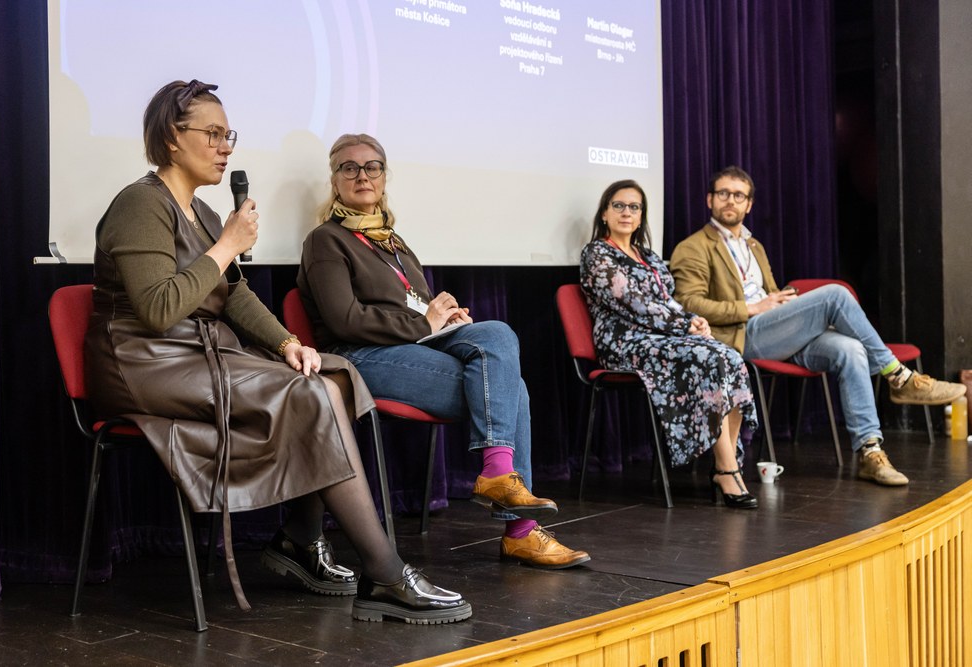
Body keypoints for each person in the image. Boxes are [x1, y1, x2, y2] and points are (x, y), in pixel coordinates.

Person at [84, 80, 470, 625]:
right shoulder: (140, 204)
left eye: (228, 134)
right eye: (213, 134)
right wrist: (227, 247)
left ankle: (302, 542)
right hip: (146, 363)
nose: (226, 146)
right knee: (312, 394)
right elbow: (157, 308)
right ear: (173, 138)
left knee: (333, 376)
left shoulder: (205, 215)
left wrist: (289, 343)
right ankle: (383, 572)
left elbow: (233, 295)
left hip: (198, 355)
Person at [297, 133, 590, 568]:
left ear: (384, 177)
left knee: (496, 334)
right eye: (350, 167)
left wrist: (447, 318)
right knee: (513, 392)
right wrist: (423, 322)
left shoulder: (393, 242)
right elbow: (344, 320)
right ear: (335, 180)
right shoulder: (326, 240)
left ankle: (500, 482)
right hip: (358, 358)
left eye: (372, 166)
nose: (362, 175)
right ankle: (518, 527)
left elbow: (418, 305)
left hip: (411, 344)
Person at [669, 165, 967, 486]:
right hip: (741, 337)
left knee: (851, 349)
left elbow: (765, 292)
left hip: (774, 331)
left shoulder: (754, 246)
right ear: (709, 199)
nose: (730, 201)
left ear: (749, 204)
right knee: (835, 295)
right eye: (723, 194)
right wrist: (752, 307)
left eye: (738, 195)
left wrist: (780, 300)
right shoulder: (692, 247)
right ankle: (898, 376)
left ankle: (870, 452)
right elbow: (689, 304)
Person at [580, 180, 759, 509]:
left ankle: (726, 465)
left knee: (729, 357)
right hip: (623, 341)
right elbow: (631, 303)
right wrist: (684, 325)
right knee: (712, 357)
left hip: (662, 337)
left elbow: (667, 302)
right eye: (618, 205)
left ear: (641, 217)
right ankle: (727, 469)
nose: (626, 212)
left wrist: (694, 319)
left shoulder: (649, 256)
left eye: (634, 207)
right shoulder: (597, 254)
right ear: (604, 213)